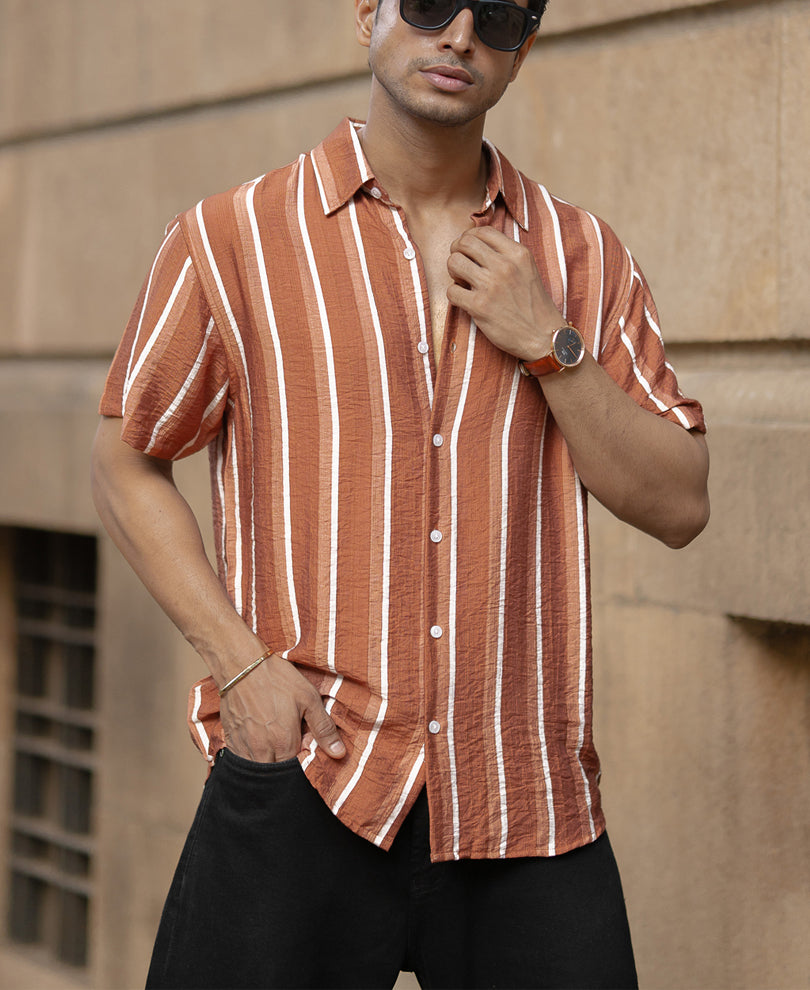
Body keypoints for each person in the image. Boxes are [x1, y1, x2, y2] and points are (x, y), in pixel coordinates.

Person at [92, 1, 710, 987]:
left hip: (526, 801)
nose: (460, 35)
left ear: (524, 50)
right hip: (309, 773)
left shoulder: (585, 260)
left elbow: (680, 504)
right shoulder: (231, 239)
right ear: (366, 15)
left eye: (500, 16)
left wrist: (552, 345)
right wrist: (241, 667)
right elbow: (125, 458)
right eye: (428, 4)